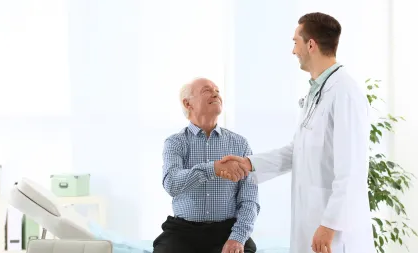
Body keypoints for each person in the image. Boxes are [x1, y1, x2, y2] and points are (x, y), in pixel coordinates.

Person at [220, 12, 374, 253]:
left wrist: (330, 223)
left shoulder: (344, 93)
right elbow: (296, 151)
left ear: (310, 44)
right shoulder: (317, 92)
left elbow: (352, 170)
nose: (293, 51)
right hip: (313, 221)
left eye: (295, 42)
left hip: (334, 231)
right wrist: (249, 163)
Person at [152, 77, 259, 253]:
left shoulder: (240, 144)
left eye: (217, 90)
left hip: (227, 231)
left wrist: (237, 238)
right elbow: (171, 183)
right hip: (183, 232)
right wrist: (213, 169)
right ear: (188, 104)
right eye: (207, 90)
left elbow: (250, 199)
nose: (215, 93)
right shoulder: (175, 143)